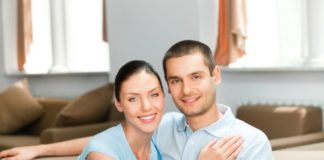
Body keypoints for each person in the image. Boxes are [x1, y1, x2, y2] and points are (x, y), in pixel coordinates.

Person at [0, 40, 270, 159]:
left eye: (196, 77)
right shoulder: (167, 126)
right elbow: (113, 141)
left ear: (216, 76)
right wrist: (39, 149)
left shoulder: (250, 142)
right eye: (176, 81)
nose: (186, 90)